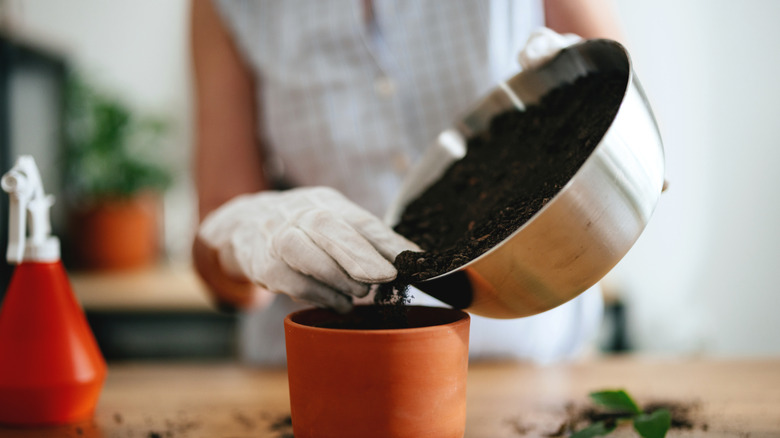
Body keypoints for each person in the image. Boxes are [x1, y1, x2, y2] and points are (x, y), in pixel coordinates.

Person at [191, 0, 624, 365]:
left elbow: (623, 117)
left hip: (524, 360)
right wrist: (240, 236)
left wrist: (593, 109)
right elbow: (220, 262)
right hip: (324, 364)